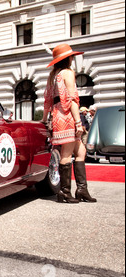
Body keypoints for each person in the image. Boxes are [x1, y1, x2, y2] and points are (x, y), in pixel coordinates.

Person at [42, 43, 96, 204]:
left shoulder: (53, 75)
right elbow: (72, 100)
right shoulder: (68, 73)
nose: (73, 58)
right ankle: (65, 192)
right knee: (66, 154)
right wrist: (78, 122)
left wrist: (45, 119)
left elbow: (47, 101)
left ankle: (81, 190)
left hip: (58, 115)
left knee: (81, 152)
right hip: (67, 117)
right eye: (72, 56)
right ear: (67, 59)